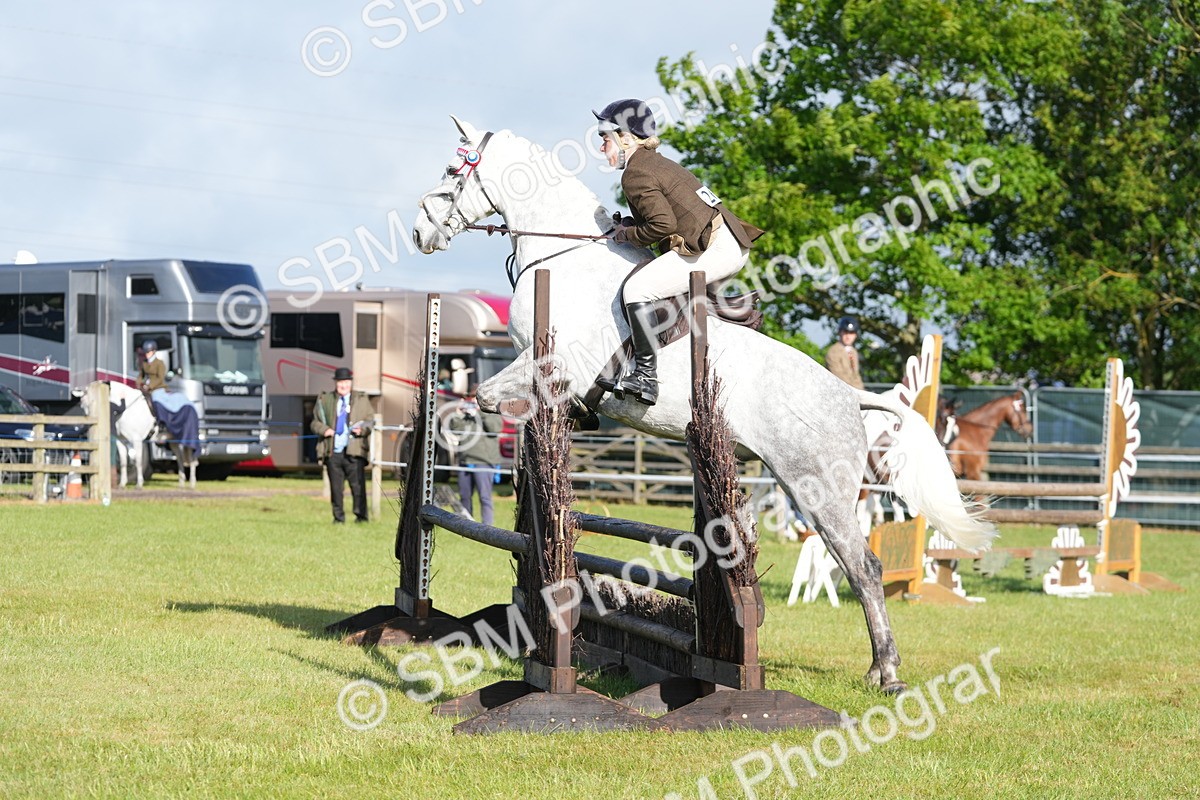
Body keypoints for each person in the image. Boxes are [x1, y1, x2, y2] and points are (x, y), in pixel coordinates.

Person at [591, 98, 765, 406]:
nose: (601, 145)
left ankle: (646, 377)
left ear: (626, 138)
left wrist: (627, 236)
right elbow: (662, 219)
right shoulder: (652, 163)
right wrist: (631, 226)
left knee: (638, 289)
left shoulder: (635, 173)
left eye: (604, 137)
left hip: (716, 247)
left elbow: (662, 224)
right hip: (726, 240)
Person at [312, 367, 373, 524]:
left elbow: (370, 421)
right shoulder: (326, 399)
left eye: (346, 382)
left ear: (350, 383)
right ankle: (338, 518)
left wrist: (363, 429)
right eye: (340, 382)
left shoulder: (361, 399)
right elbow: (314, 423)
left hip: (354, 450)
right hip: (334, 451)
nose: (343, 385)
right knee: (336, 489)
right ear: (336, 383)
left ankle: (361, 517)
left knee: (358, 487)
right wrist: (324, 430)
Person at [445, 384, 503, 526]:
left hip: (484, 461)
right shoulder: (466, 415)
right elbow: (455, 429)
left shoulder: (490, 412)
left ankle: (487, 527)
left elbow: (495, 428)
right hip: (465, 461)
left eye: (474, 398)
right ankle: (466, 525)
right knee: (464, 496)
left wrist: (479, 412)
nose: (471, 400)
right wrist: (458, 414)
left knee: (484, 497)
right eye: (469, 398)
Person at [825, 316, 865, 390]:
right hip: (839, 390)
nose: (848, 336)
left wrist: (863, 391)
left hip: (855, 390)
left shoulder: (853, 351)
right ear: (840, 332)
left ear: (855, 335)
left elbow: (856, 375)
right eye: (845, 332)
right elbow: (838, 376)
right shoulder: (833, 352)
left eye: (851, 333)